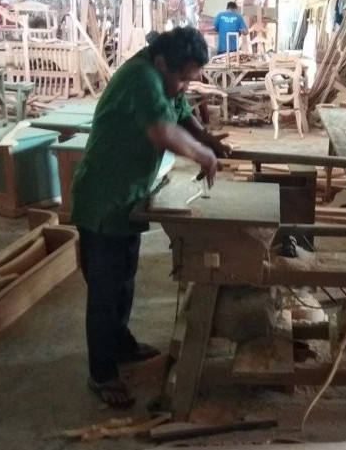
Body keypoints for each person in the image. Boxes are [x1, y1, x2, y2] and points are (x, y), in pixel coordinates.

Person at [70, 26, 230, 408]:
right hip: (104, 198)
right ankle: (101, 373)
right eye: (182, 78)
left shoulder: (164, 79)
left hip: (128, 196)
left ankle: (120, 344)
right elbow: (162, 131)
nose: (184, 86)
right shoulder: (141, 78)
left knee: (124, 278)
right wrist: (202, 155)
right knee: (105, 290)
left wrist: (207, 138)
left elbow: (181, 113)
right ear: (161, 63)